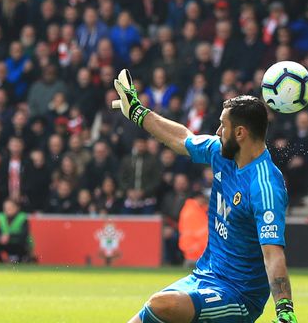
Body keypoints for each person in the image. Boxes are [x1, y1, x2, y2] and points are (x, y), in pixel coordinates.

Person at [112, 70, 297, 323]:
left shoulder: (264, 186)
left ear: (240, 133)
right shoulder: (221, 153)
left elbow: (273, 253)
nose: (218, 130)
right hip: (203, 276)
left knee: (161, 305)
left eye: (224, 125)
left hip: (238, 295)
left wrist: (285, 309)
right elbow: (182, 138)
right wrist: (137, 112)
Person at [0, 199, 30, 263]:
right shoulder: (1, 217)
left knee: (23, 244)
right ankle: (1, 262)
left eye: (10, 207)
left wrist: (10, 236)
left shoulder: (22, 217)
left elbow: (24, 235)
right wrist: (1, 238)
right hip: (7, 244)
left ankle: (23, 259)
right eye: (5, 208)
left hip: (20, 245)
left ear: (16, 208)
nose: (7, 210)